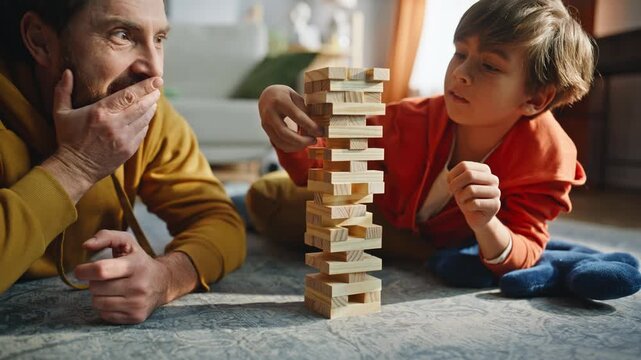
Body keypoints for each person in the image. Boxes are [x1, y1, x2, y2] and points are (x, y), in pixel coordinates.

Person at [248, 0, 595, 275]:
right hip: (383, 210)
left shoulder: (547, 160)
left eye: (489, 66)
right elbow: (321, 168)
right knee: (267, 198)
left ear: (535, 99)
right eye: (460, 53)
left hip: (433, 234)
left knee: (273, 204)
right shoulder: (411, 119)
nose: (460, 73)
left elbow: (524, 248)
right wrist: (287, 125)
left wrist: (487, 223)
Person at [0, 0, 246, 324]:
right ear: (41, 41)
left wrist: (167, 278)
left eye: (159, 39)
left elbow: (219, 220)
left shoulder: (149, 118)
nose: (154, 69)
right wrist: (76, 166)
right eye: (122, 34)